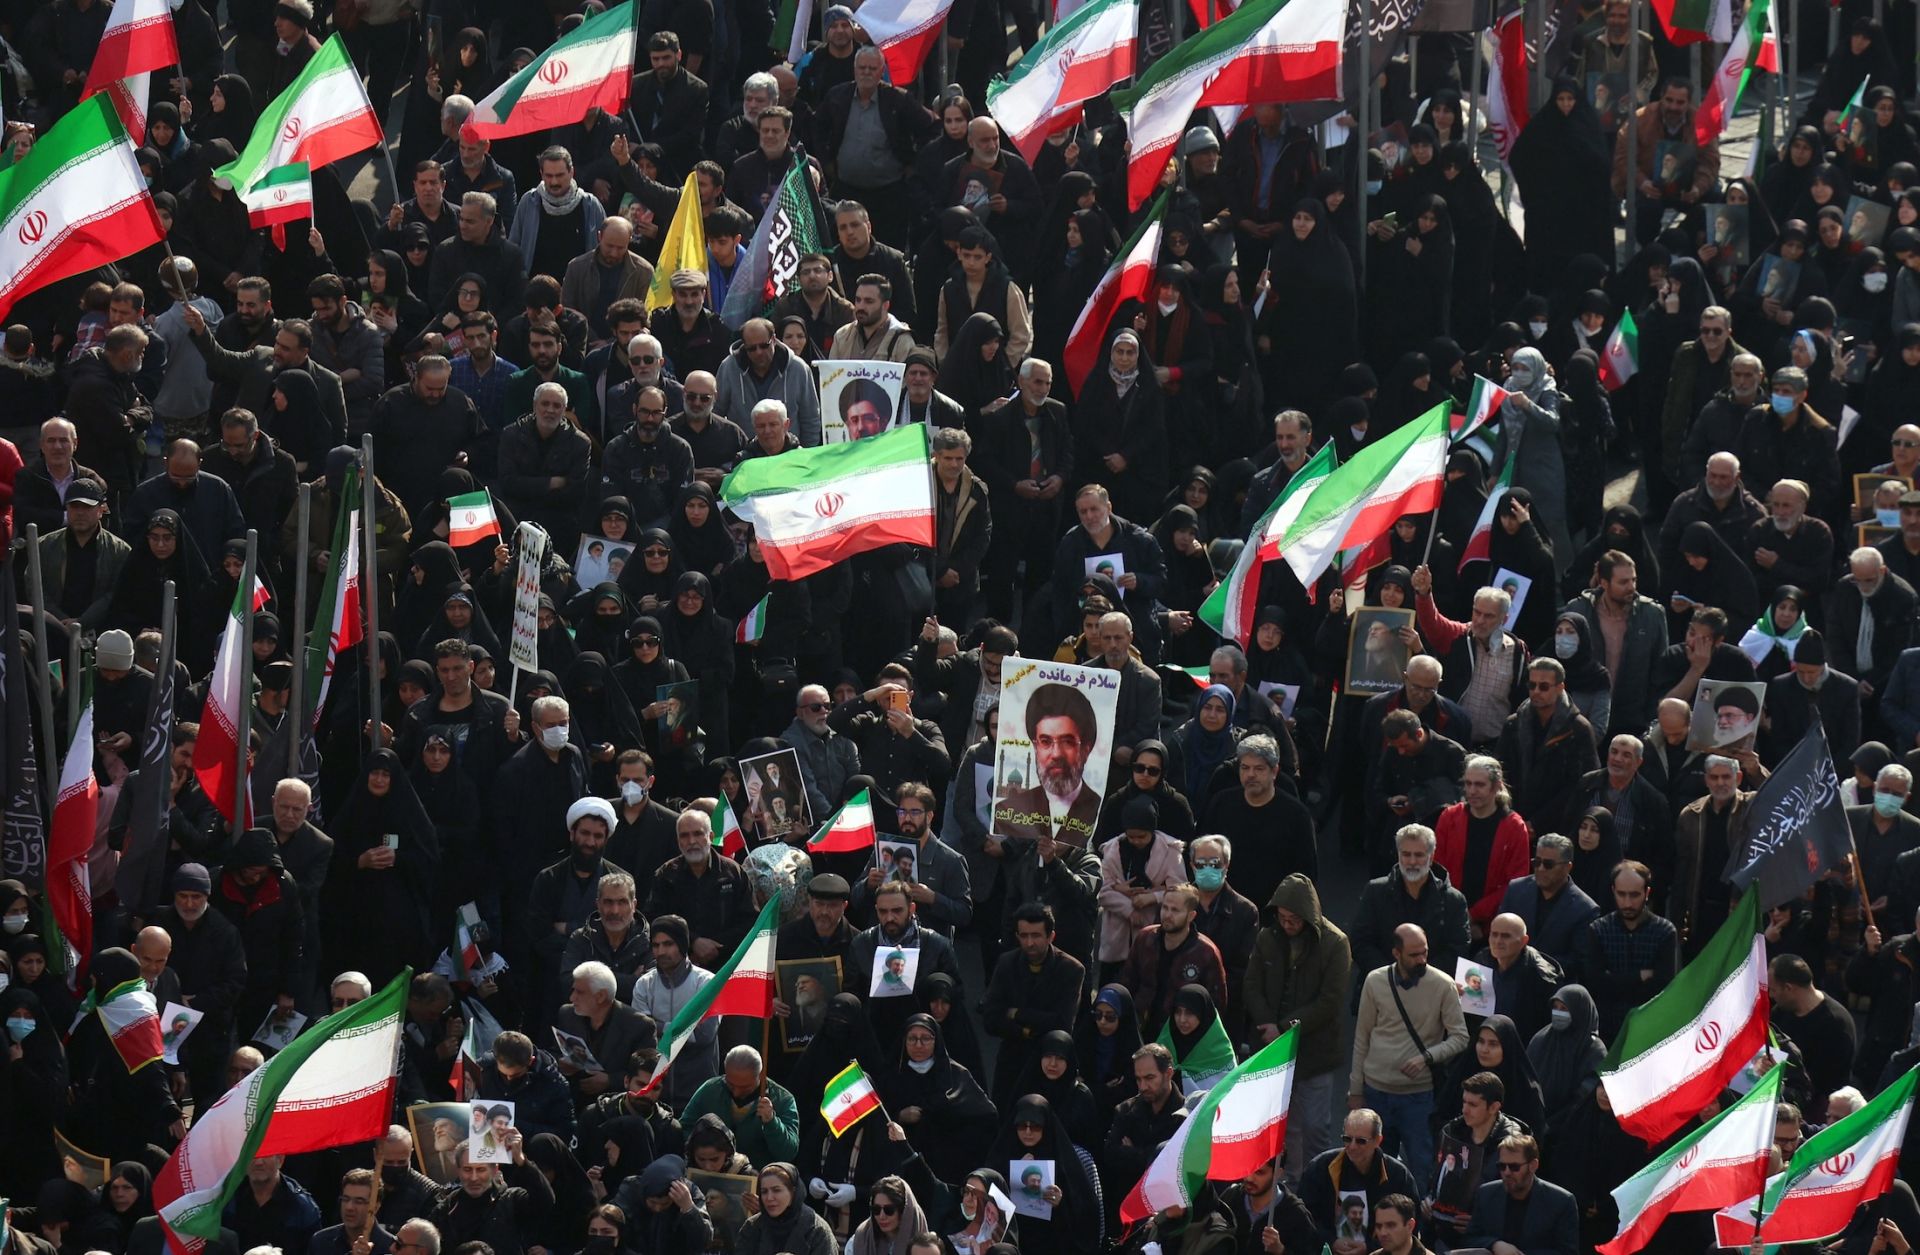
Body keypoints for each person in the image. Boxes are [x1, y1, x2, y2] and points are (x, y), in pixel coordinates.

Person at [1350, 923, 1468, 1186]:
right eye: (1414, 955)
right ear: (1396, 953)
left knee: (1421, 1168)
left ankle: (1419, 1224)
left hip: (1418, 1096)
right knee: (1374, 1170)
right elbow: (1362, 1037)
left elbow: (1461, 1036)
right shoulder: (1375, 981)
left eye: (1424, 952)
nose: (1421, 960)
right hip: (1376, 1091)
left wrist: (1428, 1056)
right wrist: (1355, 1090)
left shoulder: (1442, 985)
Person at [1582, 860, 1680, 1039]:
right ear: (1613, 891)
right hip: (1606, 1029)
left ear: (1646, 893)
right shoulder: (1599, 930)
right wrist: (1639, 976)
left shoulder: (1664, 932)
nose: (1627, 903)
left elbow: (1663, 985)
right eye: (1621, 894)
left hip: (1648, 1027)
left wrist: (1614, 980)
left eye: (1634, 895)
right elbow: (1594, 983)